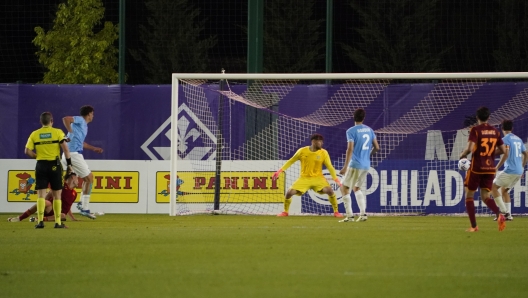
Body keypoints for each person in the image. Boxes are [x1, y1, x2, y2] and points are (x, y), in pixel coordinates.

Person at [272, 133, 343, 217]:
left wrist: (336, 179)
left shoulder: (324, 152)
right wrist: (279, 171)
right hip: (304, 178)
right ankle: (285, 212)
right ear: (313, 142)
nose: (321, 143)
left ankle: (336, 212)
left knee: (330, 191)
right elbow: (291, 161)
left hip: (318, 178)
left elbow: (330, 167)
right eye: (319, 141)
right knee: (289, 193)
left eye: (321, 141)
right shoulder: (302, 151)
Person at [459, 106, 507, 232]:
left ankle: (474, 226)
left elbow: (470, 148)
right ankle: (499, 214)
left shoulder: (475, 130)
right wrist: (490, 154)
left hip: (477, 168)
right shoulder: (495, 131)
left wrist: (463, 155)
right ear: (489, 117)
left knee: (469, 195)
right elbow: (503, 151)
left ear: (477, 117)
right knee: (485, 196)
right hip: (490, 168)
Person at [25, 112, 73, 229]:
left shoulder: (35, 134)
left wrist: (38, 156)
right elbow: (66, 150)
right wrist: (69, 166)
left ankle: (40, 222)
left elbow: (27, 151)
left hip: (41, 165)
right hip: (54, 165)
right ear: (52, 121)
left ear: (41, 122)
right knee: (57, 195)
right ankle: (57, 222)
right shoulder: (57, 132)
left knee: (41, 195)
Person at [338, 108, 379, 223]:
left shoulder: (351, 131)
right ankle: (363, 214)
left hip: (355, 164)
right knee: (357, 188)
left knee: (344, 188)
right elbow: (377, 147)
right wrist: (368, 156)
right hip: (366, 165)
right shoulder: (369, 130)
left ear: (353, 117)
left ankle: (350, 216)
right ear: (363, 118)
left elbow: (350, 148)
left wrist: (345, 166)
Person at [62, 105, 103, 218]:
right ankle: (84, 207)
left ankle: (79, 206)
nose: (93, 116)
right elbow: (66, 118)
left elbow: (81, 143)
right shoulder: (80, 120)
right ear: (89, 114)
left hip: (70, 153)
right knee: (89, 178)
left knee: (79, 181)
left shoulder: (83, 126)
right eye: (92, 114)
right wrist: (69, 130)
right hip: (73, 154)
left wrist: (94, 148)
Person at [7, 172, 87, 224]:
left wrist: (73, 218)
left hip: (60, 214)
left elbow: (68, 207)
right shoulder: (61, 187)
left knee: (62, 215)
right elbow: (48, 195)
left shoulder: (74, 193)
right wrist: (43, 204)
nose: (78, 181)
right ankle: (20, 218)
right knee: (45, 202)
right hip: (50, 208)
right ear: (72, 178)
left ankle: (39, 219)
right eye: (77, 178)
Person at [491, 119, 528, 221]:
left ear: (502, 128)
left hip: (510, 170)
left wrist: (497, 167)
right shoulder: (518, 139)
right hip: (518, 171)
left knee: (492, 187)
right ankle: (509, 215)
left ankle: (503, 212)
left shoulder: (505, 139)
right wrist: (522, 167)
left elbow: (505, 153)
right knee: (504, 190)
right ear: (512, 128)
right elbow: (526, 154)